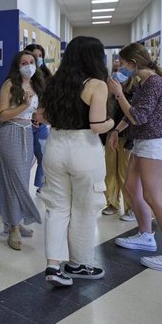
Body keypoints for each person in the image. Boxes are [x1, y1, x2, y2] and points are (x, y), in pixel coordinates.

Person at [38, 36, 114, 287]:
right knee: (84, 208)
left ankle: (52, 265)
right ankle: (78, 264)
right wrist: (112, 123)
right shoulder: (97, 85)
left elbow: (44, 117)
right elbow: (96, 126)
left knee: (57, 207)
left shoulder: (55, 82)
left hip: (56, 146)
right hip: (84, 149)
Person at [107, 42, 162, 274]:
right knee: (132, 186)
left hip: (156, 143)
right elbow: (132, 112)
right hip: (144, 142)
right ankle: (145, 235)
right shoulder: (144, 82)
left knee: (154, 197)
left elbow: (138, 117)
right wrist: (115, 130)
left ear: (133, 63)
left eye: (122, 64)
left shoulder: (154, 83)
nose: (119, 69)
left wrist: (119, 94)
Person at [0, 50, 44, 251]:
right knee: (14, 180)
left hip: (27, 133)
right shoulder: (9, 85)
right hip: (9, 133)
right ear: (17, 66)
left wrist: (35, 118)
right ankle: (14, 227)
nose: (29, 65)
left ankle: (16, 221)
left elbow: (34, 111)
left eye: (32, 61)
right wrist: (23, 105)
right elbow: (2, 115)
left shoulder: (36, 85)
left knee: (23, 180)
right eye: (24, 62)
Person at [101, 69, 137, 220]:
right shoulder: (109, 92)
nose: (118, 73)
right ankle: (112, 204)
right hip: (111, 135)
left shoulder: (134, 91)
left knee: (124, 173)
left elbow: (133, 117)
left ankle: (131, 207)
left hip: (127, 136)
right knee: (109, 172)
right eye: (115, 69)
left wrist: (131, 139)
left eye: (121, 68)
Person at [24, 44, 52, 194]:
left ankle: (41, 185)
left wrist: (41, 117)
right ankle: (22, 191)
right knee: (24, 160)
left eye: (39, 56)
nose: (37, 59)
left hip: (41, 124)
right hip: (25, 124)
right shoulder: (21, 78)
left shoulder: (48, 77)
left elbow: (50, 100)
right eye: (34, 56)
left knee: (44, 156)